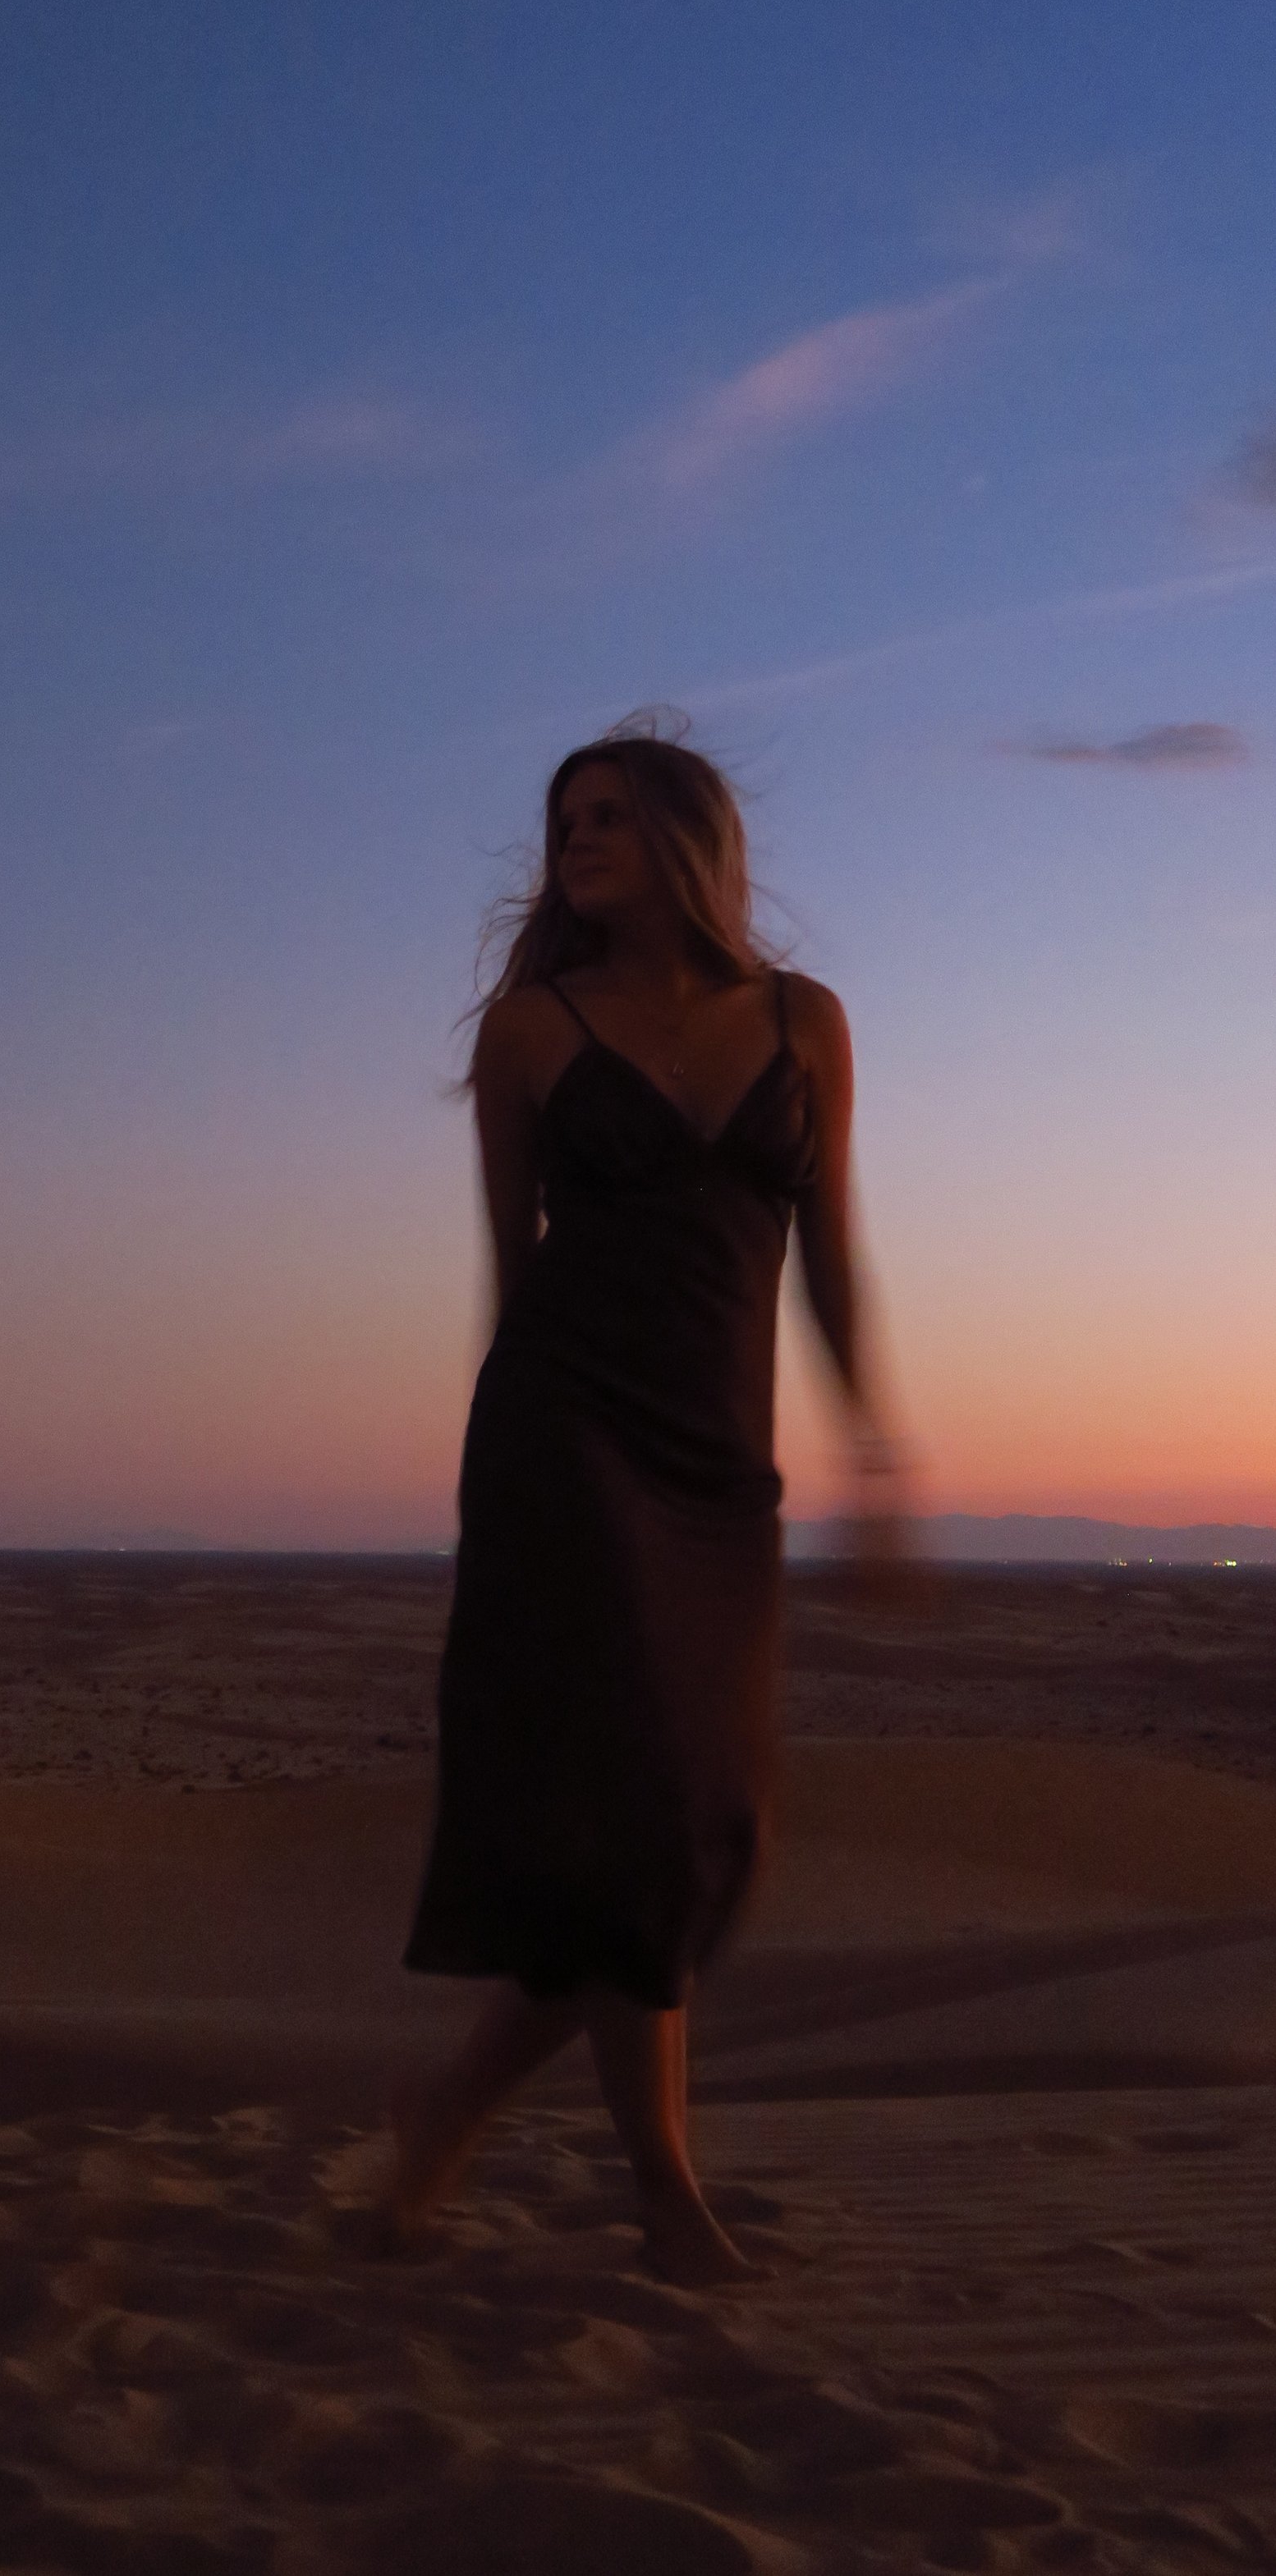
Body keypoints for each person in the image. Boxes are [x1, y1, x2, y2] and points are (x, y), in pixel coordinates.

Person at [393, 716, 911, 2283]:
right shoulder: (529, 1033)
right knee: (636, 1824)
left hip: (718, 1469)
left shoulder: (805, 1022)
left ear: (687, 838)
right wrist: (508, 1502)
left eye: (611, 813)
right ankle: (665, 2190)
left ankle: (445, 2124)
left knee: (704, 1821)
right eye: (567, 820)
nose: (580, 840)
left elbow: (832, 1260)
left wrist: (878, 1452)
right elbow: (513, 1274)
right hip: (567, 1445)